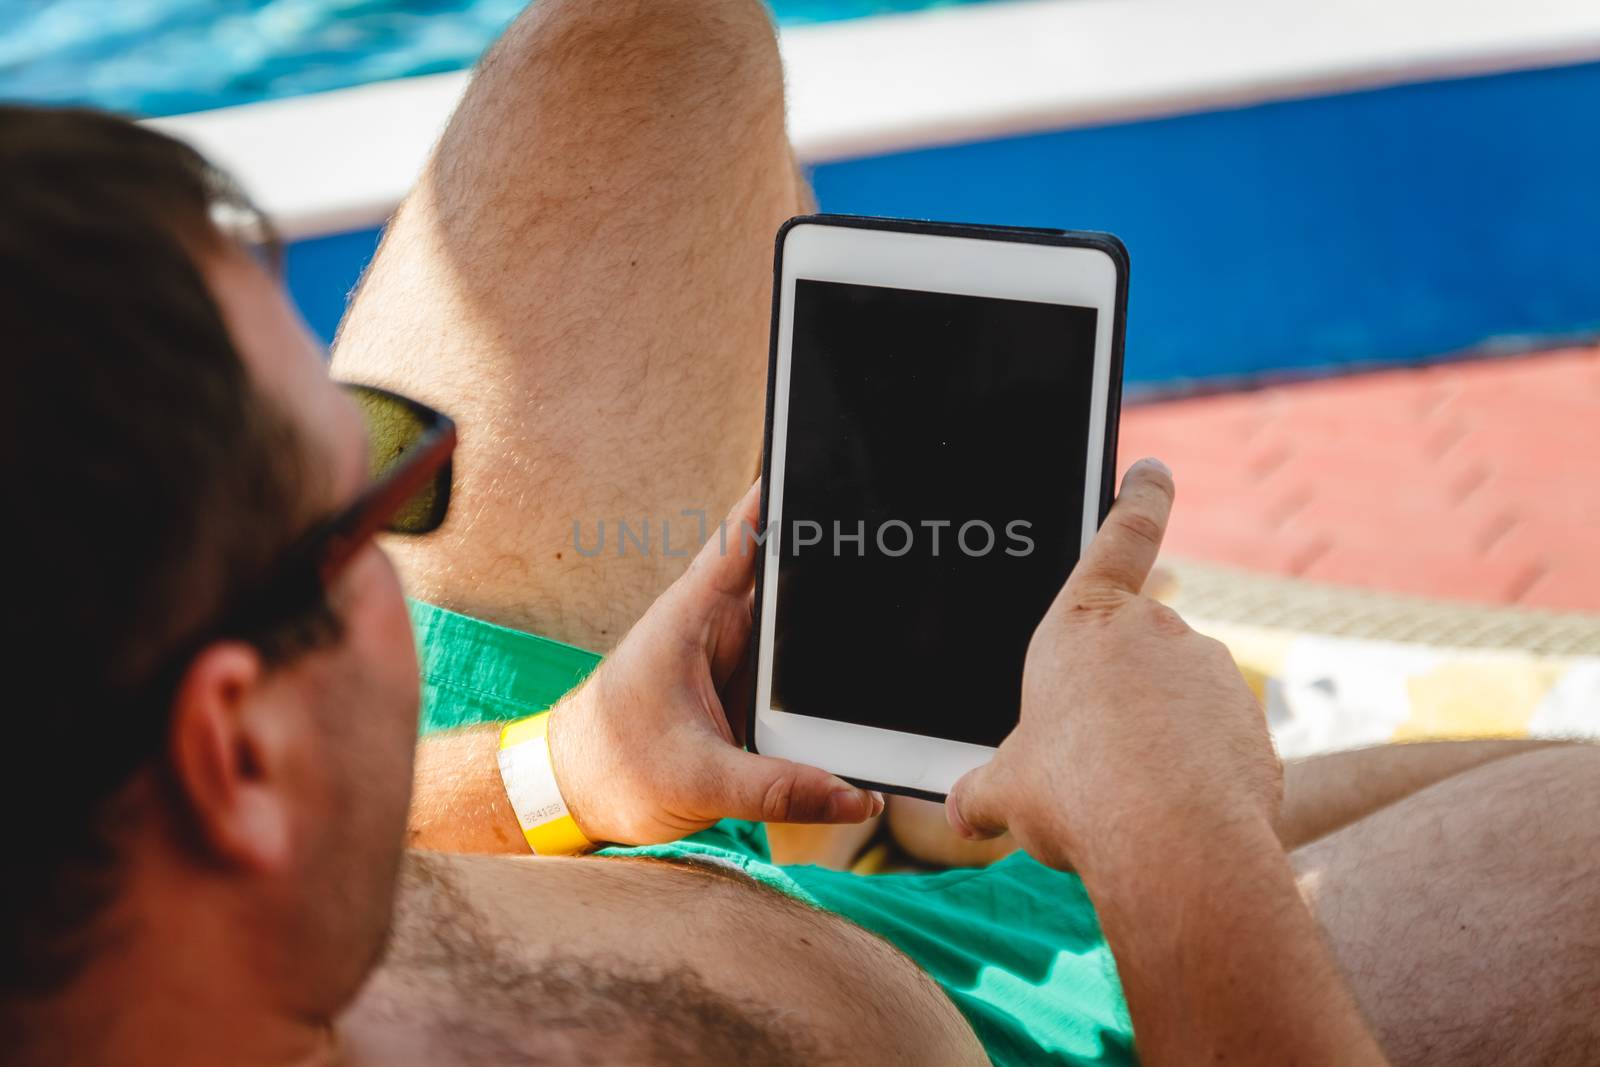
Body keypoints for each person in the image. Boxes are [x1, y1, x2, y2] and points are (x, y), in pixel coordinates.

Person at [4, 1, 1599, 1064]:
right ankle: (967, 799)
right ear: (235, 747)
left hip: (539, 863)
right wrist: (1168, 842)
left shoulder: (123, 836)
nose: (423, 470)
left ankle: (878, 803)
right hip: (1061, 1023)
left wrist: (563, 769)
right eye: (365, 494)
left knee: (647, 47)